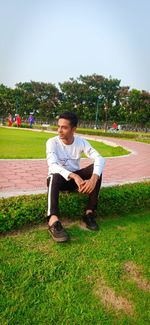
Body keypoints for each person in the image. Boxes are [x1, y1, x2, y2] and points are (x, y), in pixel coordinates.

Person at [46, 111, 105, 243]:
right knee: (54, 175)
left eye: (64, 127)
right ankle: (53, 220)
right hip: (58, 180)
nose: (59, 130)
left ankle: (89, 213)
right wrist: (74, 176)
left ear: (73, 129)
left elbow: (99, 158)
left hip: (75, 180)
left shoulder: (81, 142)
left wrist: (94, 178)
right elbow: (52, 165)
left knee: (96, 169)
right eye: (58, 126)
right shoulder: (52, 142)